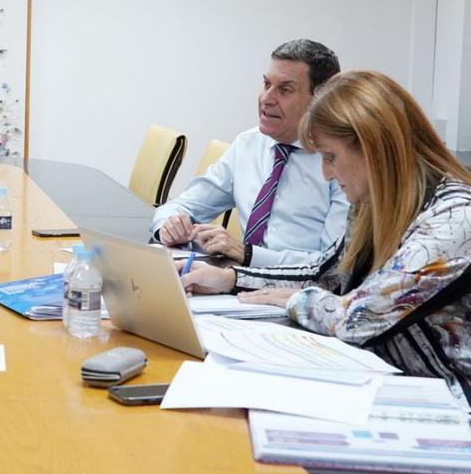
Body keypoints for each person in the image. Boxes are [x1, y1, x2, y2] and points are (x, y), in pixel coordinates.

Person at [182, 70, 471, 401]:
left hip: (452, 401)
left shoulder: (455, 218)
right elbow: (327, 275)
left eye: (330, 157)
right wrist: (231, 278)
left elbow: (359, 318)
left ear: (373, 149)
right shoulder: (372, 203)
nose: (326, 173)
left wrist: (297, 300)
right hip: (392, 380)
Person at [152, 39, 349, 266]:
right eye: (266, 84)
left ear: (320, 99)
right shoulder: (249, 144)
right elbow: (182, 206)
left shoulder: (344, 164)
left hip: (296, 285)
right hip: (236, 277)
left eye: (285, 90)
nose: (266, 99)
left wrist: (248, 254)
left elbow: (334, 267)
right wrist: (170, 225)